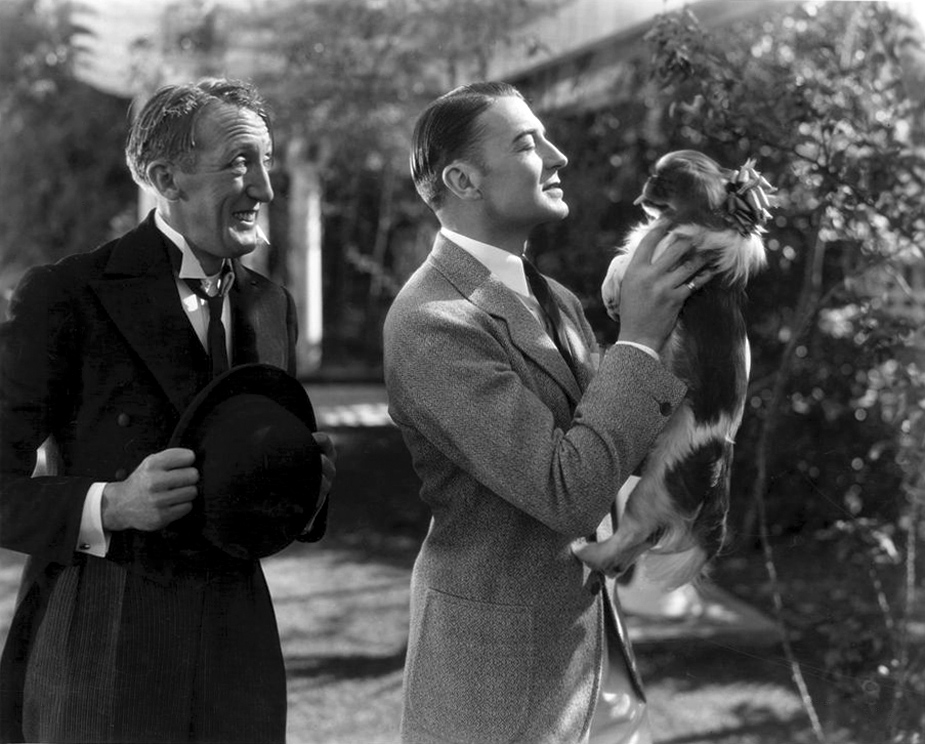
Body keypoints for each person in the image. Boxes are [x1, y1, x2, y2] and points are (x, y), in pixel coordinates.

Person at [0, 78, 336, 744]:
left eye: (267, 162)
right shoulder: (67, 295)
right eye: (240, 162)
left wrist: (304, 489)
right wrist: (110, 504)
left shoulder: (273, 307)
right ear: (165, 179)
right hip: (104, 632)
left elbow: (248, 493)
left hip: (238, 643)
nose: (266, 188)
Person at [383, 81, 713, 744]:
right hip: (499, 686)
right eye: (528, 144)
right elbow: (566, 491)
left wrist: (702, 335)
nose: (558, 155)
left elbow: (611, 443)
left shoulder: (553, 297)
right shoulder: (431, 321)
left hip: (594, 665)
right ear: (462, 180)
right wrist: (638, 342)